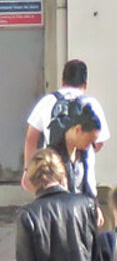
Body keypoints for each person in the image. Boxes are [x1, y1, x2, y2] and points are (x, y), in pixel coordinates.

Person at [23, 59, 111, 199]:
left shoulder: (47, 101)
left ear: (62, 81)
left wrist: (28, 170)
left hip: (51, 180)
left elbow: (31, 137)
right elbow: (99, 142)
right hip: (83, 186)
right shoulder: (91, 104)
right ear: (85, 83)